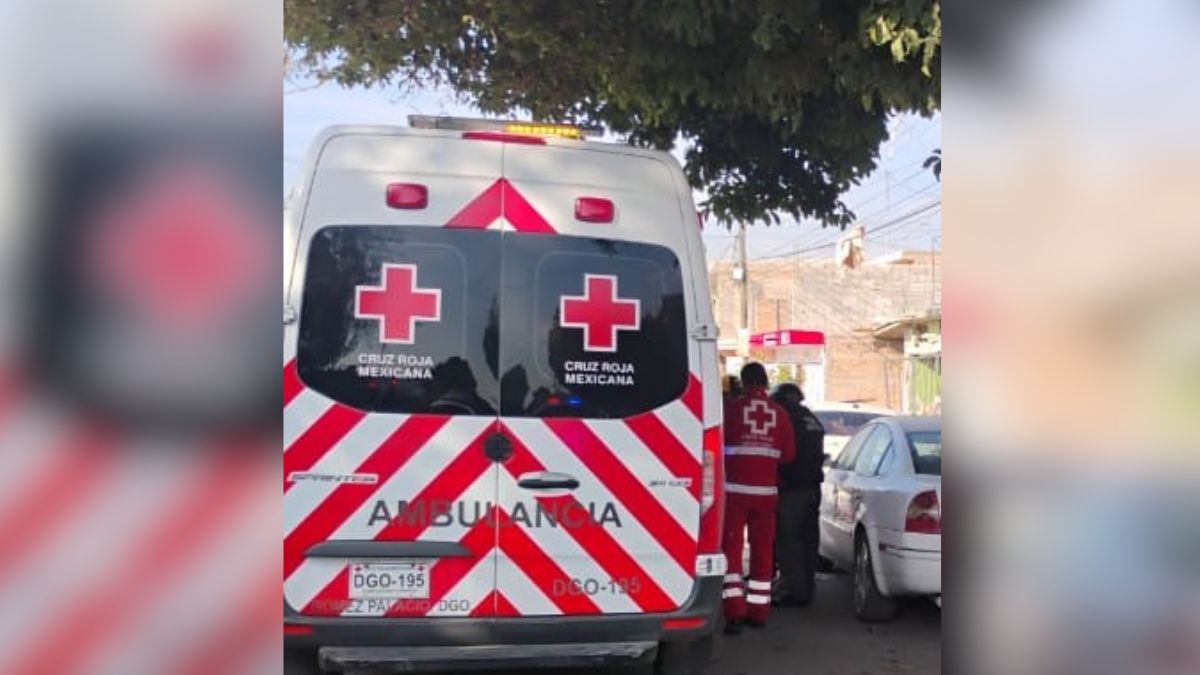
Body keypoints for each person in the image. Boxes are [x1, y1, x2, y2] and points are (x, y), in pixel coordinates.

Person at [721, 362, 795, 634]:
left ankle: (734, 611)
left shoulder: (732, 410)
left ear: (744, 382)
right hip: (766, 496)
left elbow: (718, 446)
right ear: (765, 382)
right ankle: (758, 613)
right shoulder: (780, 414)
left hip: (734, 494)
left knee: (732, 550)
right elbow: (787, 456)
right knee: (763, 552)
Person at [770, 382, 826, 606]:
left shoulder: (785, 416)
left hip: (792, 488)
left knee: (788, 540)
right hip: (813, 487)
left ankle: (793, 590)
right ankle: (806, 587)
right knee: (808, 539)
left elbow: (784, 453)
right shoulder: (810, 418)